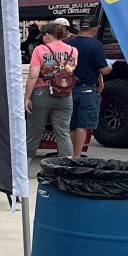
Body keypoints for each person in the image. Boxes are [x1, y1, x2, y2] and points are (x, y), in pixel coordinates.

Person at [25, 20, 78, 161]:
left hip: (42, 92)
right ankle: (67, 169)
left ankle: (23, 169)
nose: (42, 39)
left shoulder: (40, 50)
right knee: (63, 133)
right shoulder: (73, 51)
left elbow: (33, 76)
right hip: (65, 94)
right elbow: (70, 71)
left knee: (33, 132)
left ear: (48, 35)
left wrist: (27, 97)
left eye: (43, 36)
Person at [66, 14, 112, 158]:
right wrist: (110, 68)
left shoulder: (69, 44)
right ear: (95, 29)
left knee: (72, 125)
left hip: (70, 89)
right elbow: (103, 69)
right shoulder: (96, 45)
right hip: (88, 89)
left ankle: (72, 154)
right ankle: (77, 156)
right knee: (83, 125)